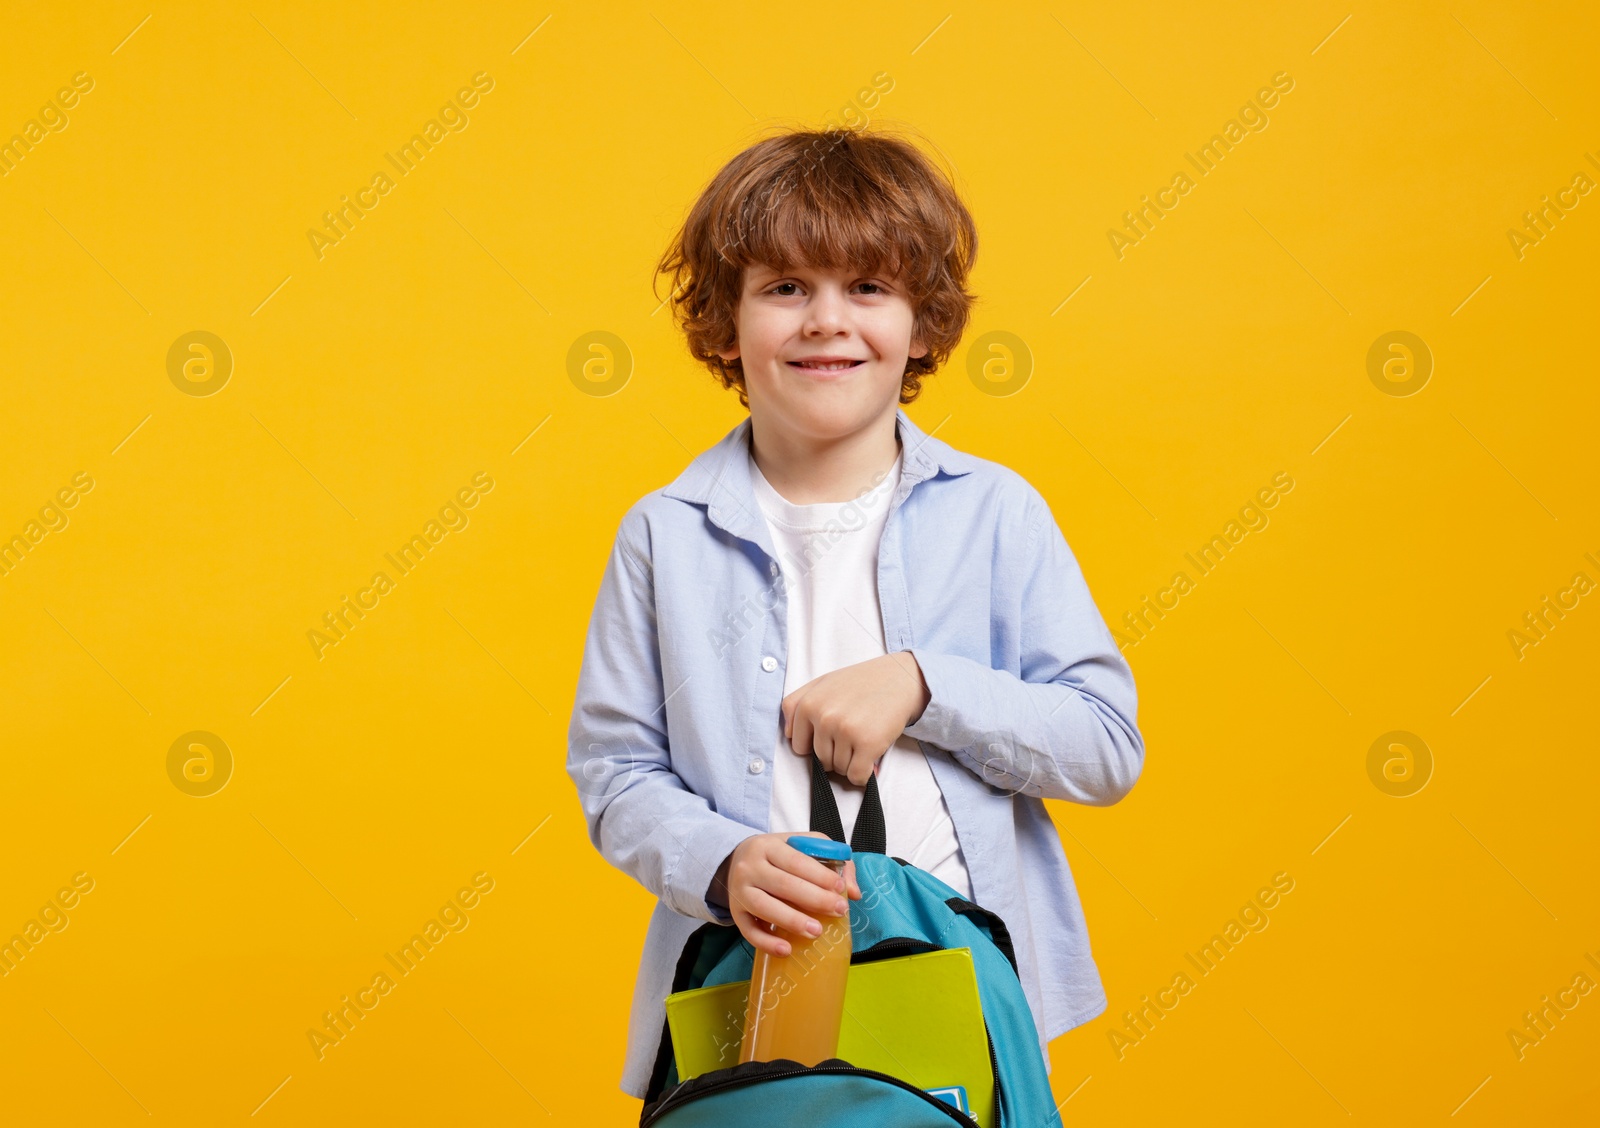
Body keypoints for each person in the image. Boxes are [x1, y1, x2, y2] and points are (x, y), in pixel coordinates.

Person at [566, 125, 1144, 1101]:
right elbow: (615, 772)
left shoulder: (997, 514)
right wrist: (720, 861)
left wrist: (926, 687)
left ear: (922, 323)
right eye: (784, 287)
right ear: (725, 321)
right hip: (750, 978)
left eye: (866, 288)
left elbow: (1103, 747)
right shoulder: (662, 536)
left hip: (961, 973)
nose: (825, 321)